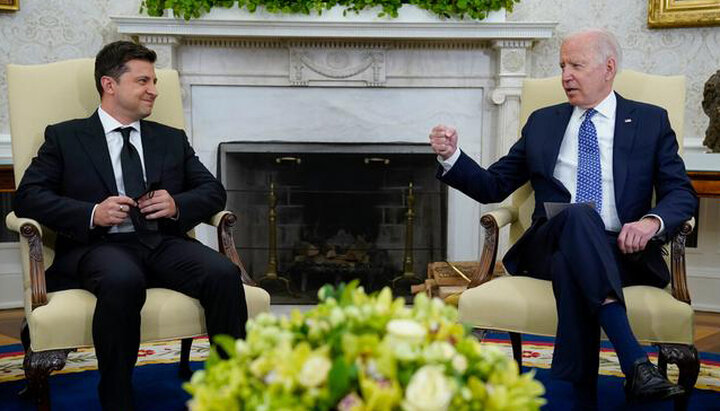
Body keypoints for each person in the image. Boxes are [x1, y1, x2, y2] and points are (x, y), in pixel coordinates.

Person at [429, 29, 697, 407]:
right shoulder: (544, 122)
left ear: (608, 68)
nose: (565, 75)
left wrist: (651, 222)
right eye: (562, 66)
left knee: (573, 260)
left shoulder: (650, 121)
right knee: (577, 217)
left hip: (623, 251)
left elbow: (681, 192)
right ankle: (634, 360)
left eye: (576, 65)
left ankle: (582, 395)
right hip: (548, 242)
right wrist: (452, 156)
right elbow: (493, 186)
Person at [13, 41, 248, 410]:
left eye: (154, 81)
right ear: (109, 84)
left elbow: (212, 192)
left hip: (162, 242)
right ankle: (117, 397)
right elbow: (27, 197)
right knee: (123, 279)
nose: (154, 89)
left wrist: (176, 204)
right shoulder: (65, 137)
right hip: (98, 246)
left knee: (222, 272)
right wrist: (93, 212)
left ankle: (232, 390)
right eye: (143, 81)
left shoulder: (169, 139)